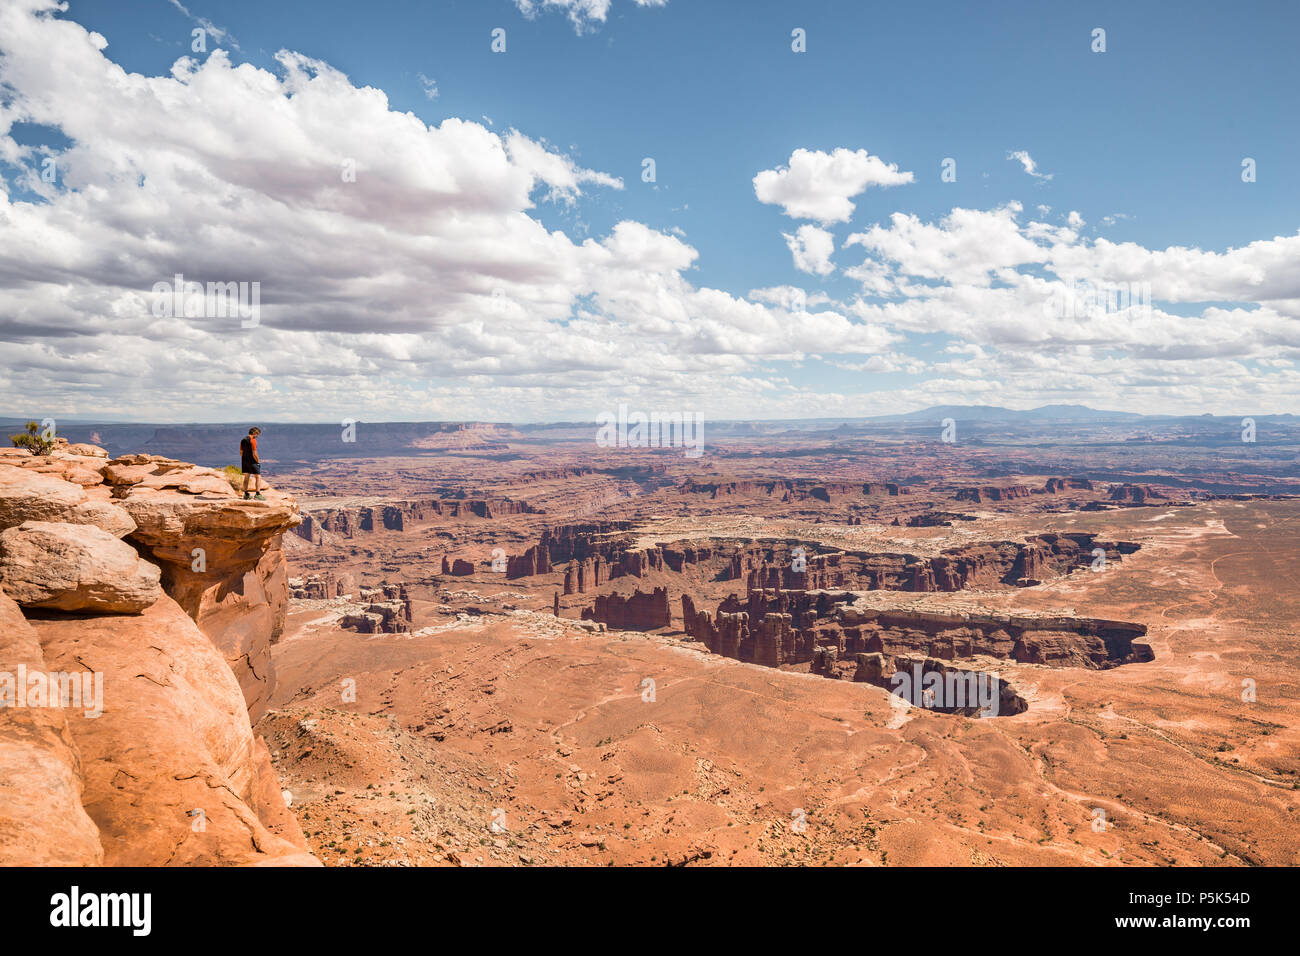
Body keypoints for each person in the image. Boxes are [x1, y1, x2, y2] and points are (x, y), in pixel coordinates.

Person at [240, 426, 265, 500]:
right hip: (252, 461)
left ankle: (246, 494)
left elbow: (241, 452)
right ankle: (258, 494)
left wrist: (245, 459)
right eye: (257, 435)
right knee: (258, 477)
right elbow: (254, 453)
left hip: (244, 460)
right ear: (254, 433)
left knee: (246, 477)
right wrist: (258, 461)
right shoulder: (253, 440)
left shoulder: (243, 440)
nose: (257, 436)